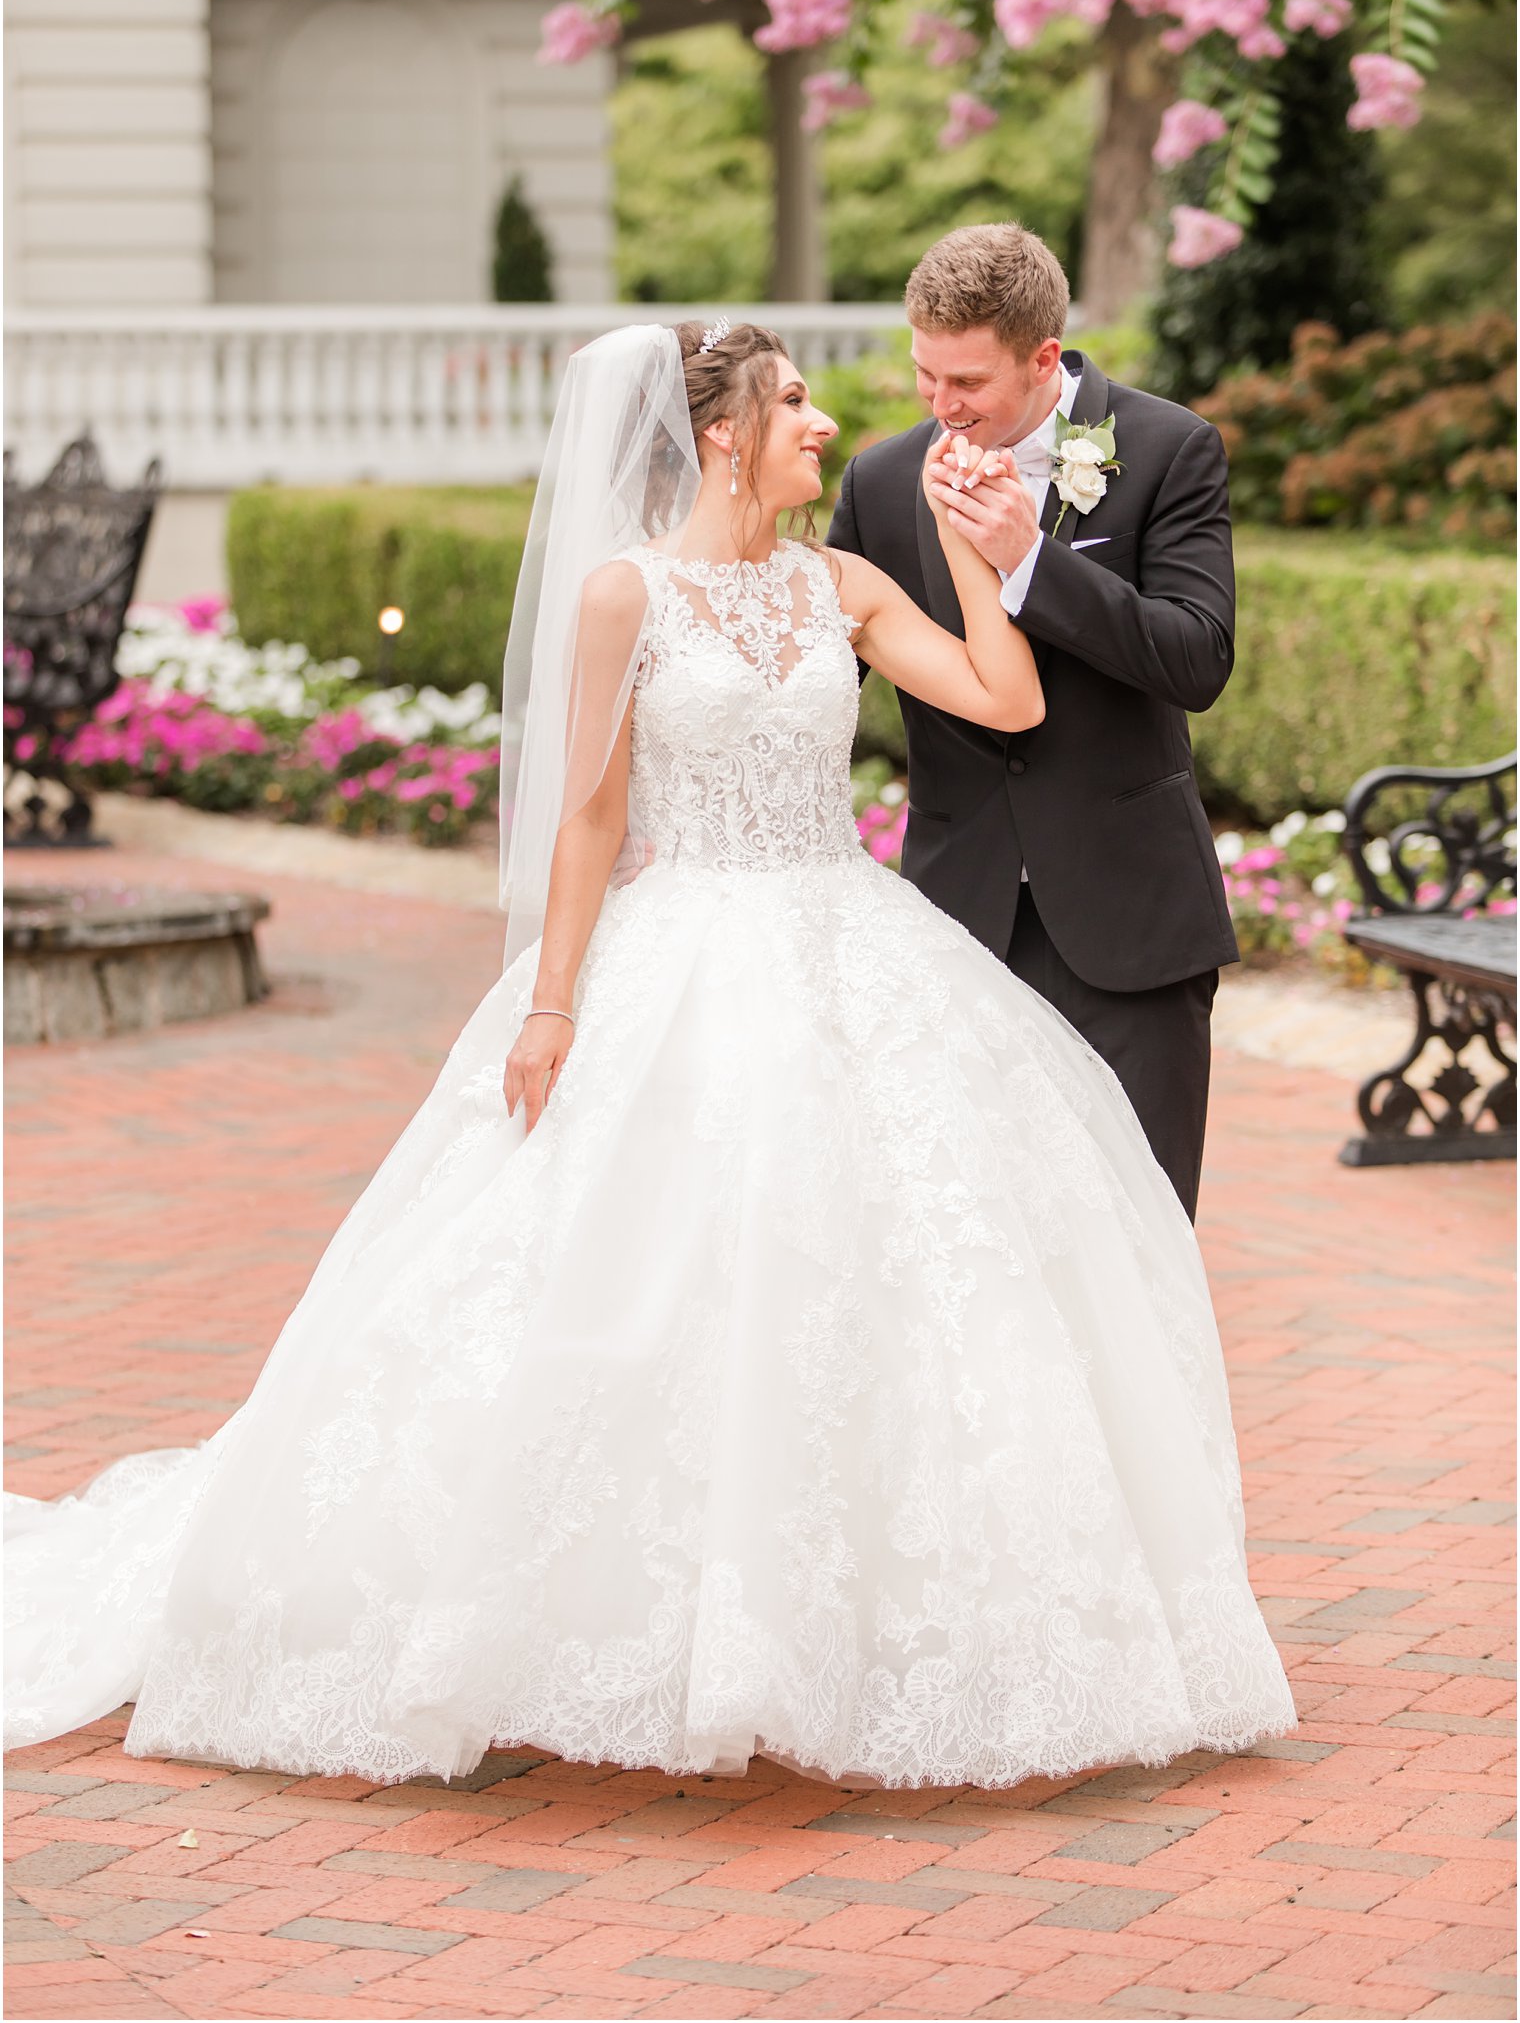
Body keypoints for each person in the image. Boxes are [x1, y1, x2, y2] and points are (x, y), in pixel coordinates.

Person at [5, 321, 1294, 1791]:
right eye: (796, 402)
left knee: (891, 1279)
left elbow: (1006, 699)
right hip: (677, 954)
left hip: (850, 941)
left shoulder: (845, 581)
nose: (829, 426)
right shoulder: (626, 594)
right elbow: (591, 820)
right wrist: (552, 1005)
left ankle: (853, 1629)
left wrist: (986, 555)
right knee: (619, 1279)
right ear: (726, 433)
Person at [829, 223, 1237, 1219]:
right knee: (979, 1244)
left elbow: (1195, 657)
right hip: (954, 918)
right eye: (924, 377)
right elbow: (818, 681)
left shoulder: (1165, 448)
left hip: (1129, 923)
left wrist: (1029, 563)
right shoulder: (879, 484)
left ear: (1043, 357)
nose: (940, 406)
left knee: (1138, 1237)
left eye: (965, 383)